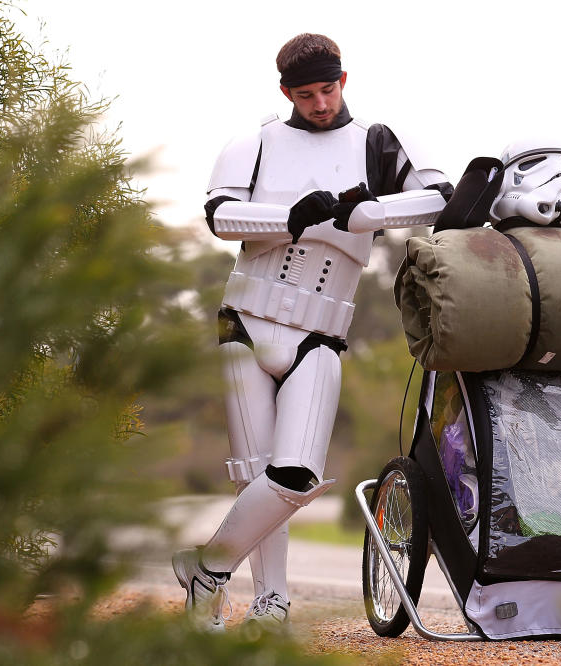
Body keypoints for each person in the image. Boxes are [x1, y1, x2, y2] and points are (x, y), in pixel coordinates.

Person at [172, 33, 452, 631]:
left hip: (320, 334)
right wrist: (294, 215)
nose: (320, 103)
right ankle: (271, 603)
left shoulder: (377, 142)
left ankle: (206, 569)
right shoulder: (256, 142)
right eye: (306, 94)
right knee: (254, 470)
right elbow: (220, 215)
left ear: (344, 80)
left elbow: (441, 199)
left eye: (328, 89)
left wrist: (370, 212)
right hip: (246, 322)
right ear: (286, 93)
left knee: (294, 475)